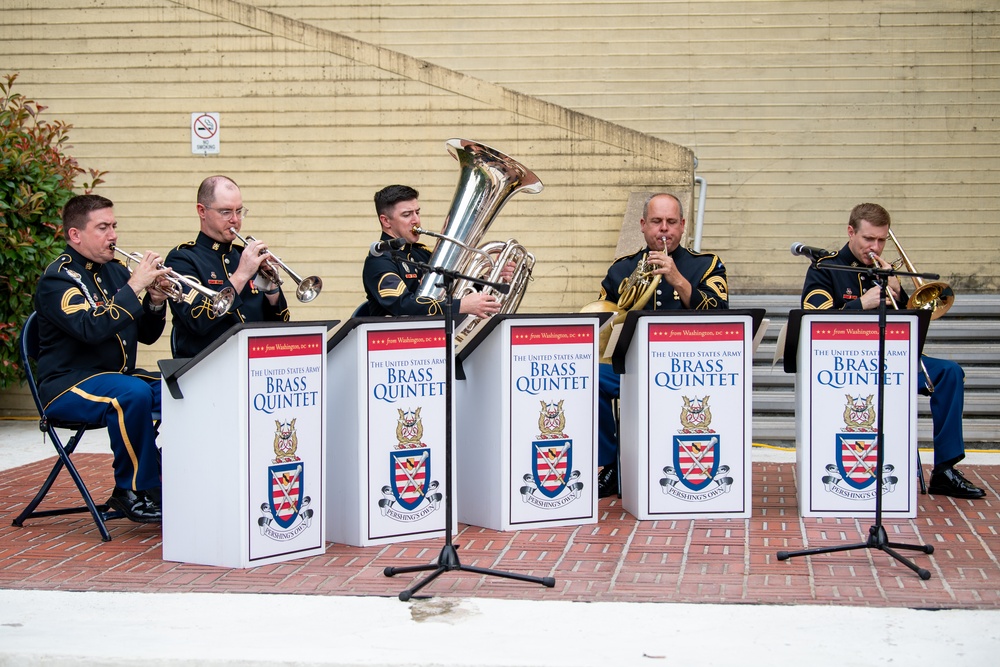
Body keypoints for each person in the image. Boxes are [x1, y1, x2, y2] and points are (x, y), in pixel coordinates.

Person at [801, 202, 985, 499]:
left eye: (881, 240)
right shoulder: (825, 268)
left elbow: (917, 322)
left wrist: (899, 292)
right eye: (868, 239)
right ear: (851, 232)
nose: (875, 246)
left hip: (893, 359)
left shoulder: (885, 272)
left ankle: (945, 470)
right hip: (845, 365)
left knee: (949, 373)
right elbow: (812, 316)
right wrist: (860, 305)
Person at [33, 194, 171, 523]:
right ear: (75, 235)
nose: (113, 235)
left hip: (116, 377)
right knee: (131, 393)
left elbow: (146, 335)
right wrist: (135, 284)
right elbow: (91, 329)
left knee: (182, 383)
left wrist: (154, 299)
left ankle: (170, 474)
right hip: (68, 384)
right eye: (103, 227)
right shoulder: (58, 280)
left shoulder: (114, 272)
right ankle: (132, 489)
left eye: (114, 226)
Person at [593, 193, 730, 497]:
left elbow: (721, 315)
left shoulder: (706, 265)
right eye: (656, 222)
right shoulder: (621, 269)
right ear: (643, 226)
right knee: (587, 378)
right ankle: (610, 461)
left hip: (689, 370)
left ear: (682, 226)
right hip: (633, 368)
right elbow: (602, 322)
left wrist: (678, 280)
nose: (664, 229)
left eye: (671, 222)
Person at [166, 176, 290, 358]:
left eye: (239, 211)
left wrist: (271, 287)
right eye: (226, 212)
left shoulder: (243, 255)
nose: (235, 219)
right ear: (202, 211)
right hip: (207, 364)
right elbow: (196, 321)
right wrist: (240, 275)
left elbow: (280, 326)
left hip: (256, 361)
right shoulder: (183, 259)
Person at [362, 184, 507, 318]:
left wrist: (491, 278)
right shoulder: (379, 261)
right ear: (386, 221)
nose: (416, 220)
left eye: (417, 212)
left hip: (434, 339)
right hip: (397, 341)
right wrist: (460, 306)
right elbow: (403, 306)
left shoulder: (422, 253)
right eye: (407, 215)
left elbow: (456, 288)